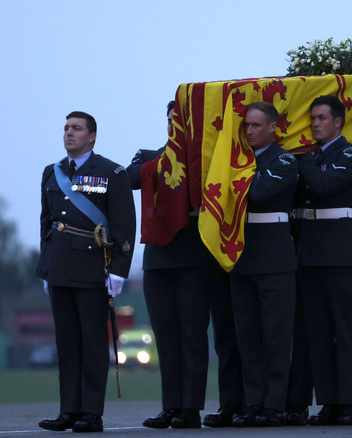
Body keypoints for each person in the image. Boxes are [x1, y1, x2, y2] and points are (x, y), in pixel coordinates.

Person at [126, 101, 243, 429]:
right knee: (165, 337)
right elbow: (130, 178)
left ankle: (190, 408)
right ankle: (170, 406)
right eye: (170, 120)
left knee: (192, 335)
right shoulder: (148, 155)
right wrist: (167, 158)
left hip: (194, 257)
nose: (173, 125)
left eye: (180, 120)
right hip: (158, 260)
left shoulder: (204, 161)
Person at [36, 111, 136, 433]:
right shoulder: (52, 173)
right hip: (60, 269)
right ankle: (69, 411)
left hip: (95, 268)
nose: (69, 133)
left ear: (91, 136)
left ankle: (91, 412)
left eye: (76, 129)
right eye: (66, 128)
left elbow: (124, 225)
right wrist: (46, 267)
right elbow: (47, 223)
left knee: (93, 343)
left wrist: (119, 270)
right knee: (66, 343)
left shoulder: (111, 172)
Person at [295, 95, 352, 426]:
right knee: (317, 331)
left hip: (340, 252)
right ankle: (328, 402)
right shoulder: (315, 156)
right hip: (311, 251)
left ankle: (350, 402)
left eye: (322, 118)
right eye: (312, 118)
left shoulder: (350, 154)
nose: (315, 123)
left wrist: (304, 160)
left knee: (346, 328)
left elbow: (323, 186)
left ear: (338, 121)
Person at [230, 102, 299, 427]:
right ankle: (253, 403)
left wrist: (234, 178)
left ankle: (274, 405)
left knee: (275, 336)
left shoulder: (284, 160)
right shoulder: (237, 160)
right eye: (247, 126)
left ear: (273, 127)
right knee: (248, 337)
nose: (250, 131)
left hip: (274, 260)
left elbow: (256, 192)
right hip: (242, 259)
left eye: (256, 125)